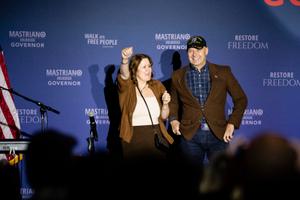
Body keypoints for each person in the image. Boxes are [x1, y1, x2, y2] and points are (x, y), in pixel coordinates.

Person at [169, 36, 248, 165]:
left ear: (206, 51)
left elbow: (241, 99)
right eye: (191, 51)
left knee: (221, 177)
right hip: (190, 135)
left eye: (198, 50)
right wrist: (173, 120)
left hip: (219, 134)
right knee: (191, 178)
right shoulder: (177, 76)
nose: (194, 54)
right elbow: (173, 102)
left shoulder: (223, 72)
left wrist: (232, 124)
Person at [117, 47, 174, 159]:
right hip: (133, 138)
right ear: (134, 70)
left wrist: (166, 104)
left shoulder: (157, 85)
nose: (148, 70)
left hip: (156, 136)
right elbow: (124, 75)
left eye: (149, 66)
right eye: (144, 67)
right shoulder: (128, 87)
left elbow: (163, 116)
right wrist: (124, 60)